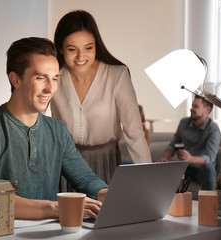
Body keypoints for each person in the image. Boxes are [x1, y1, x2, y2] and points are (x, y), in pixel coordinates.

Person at [0, 37, 108, 220]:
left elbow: (86, 180)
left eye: (55, 79)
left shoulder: (57, 130)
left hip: (50, 233)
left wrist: (111, 196)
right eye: (40, 78)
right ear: (15, 79)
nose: (50, 88)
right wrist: (60, 208)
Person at [50, 10, 151, 188]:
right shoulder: (54, 77)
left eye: (88, 48)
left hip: (106, 163)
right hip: (65, 165)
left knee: (106, 214)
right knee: (66, 216)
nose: (81, 57)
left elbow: (134, 134)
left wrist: (150, 183)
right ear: (60, 48)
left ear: (96, 45)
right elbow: (34, 119)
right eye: (72, 49)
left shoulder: (116, 75)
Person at [157, 95, 221, 190]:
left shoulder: (213, 130)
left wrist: (190, 159)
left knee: (209, 169)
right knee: (163, 167)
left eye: (196, 106)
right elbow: (172, 145)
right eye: (192, 105)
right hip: (185, 167)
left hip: (201, 169)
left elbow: (210, 158)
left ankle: (208, 202)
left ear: (207, 110)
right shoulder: (184, 123)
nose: (191, 109)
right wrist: (165, 158)